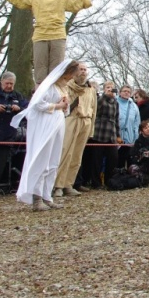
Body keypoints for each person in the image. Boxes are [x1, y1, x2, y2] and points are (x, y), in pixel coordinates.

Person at [0, 0, 108, 85]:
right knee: (40, 68)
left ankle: (56, 94)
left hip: (57, 35)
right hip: (41, 35)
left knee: (57, 69)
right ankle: (40, 94)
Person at [13, 59, 78, 210]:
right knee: (42, 160)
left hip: (58, 124)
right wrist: (57, 105)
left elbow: (64, 109)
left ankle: (46, 195)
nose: (71, 78)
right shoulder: (48, 86)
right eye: (71, 75)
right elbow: (37, 104)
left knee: (53, 161)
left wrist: (65, 106)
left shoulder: (63, 88)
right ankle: (36, 198)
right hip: (45, 125)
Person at [54, 63, 96, 199]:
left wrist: (91, 129)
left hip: (86, 120)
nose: (83, 72)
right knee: (66, 152)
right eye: (80, 69)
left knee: (77, 155)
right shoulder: (68, 86)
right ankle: (57, 185)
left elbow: (94, 109)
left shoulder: (91, 89)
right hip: (72, 119)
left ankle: (68, 184)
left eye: (85, 70)